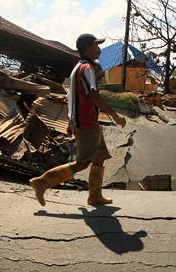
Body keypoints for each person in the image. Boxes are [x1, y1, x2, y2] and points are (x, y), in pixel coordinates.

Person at [30, 33, 126, 207]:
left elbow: (71, 96)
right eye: (96, 46)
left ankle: (95, 196)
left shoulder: (78, 67)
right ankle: (43, 182)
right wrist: (114, 115)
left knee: (99, 157)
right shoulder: (87, 68)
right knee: (83, 162)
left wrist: (69, 121)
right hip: (87, 122)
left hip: (85, 121)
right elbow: (93, 95)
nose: (99, 50)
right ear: (88, 47)